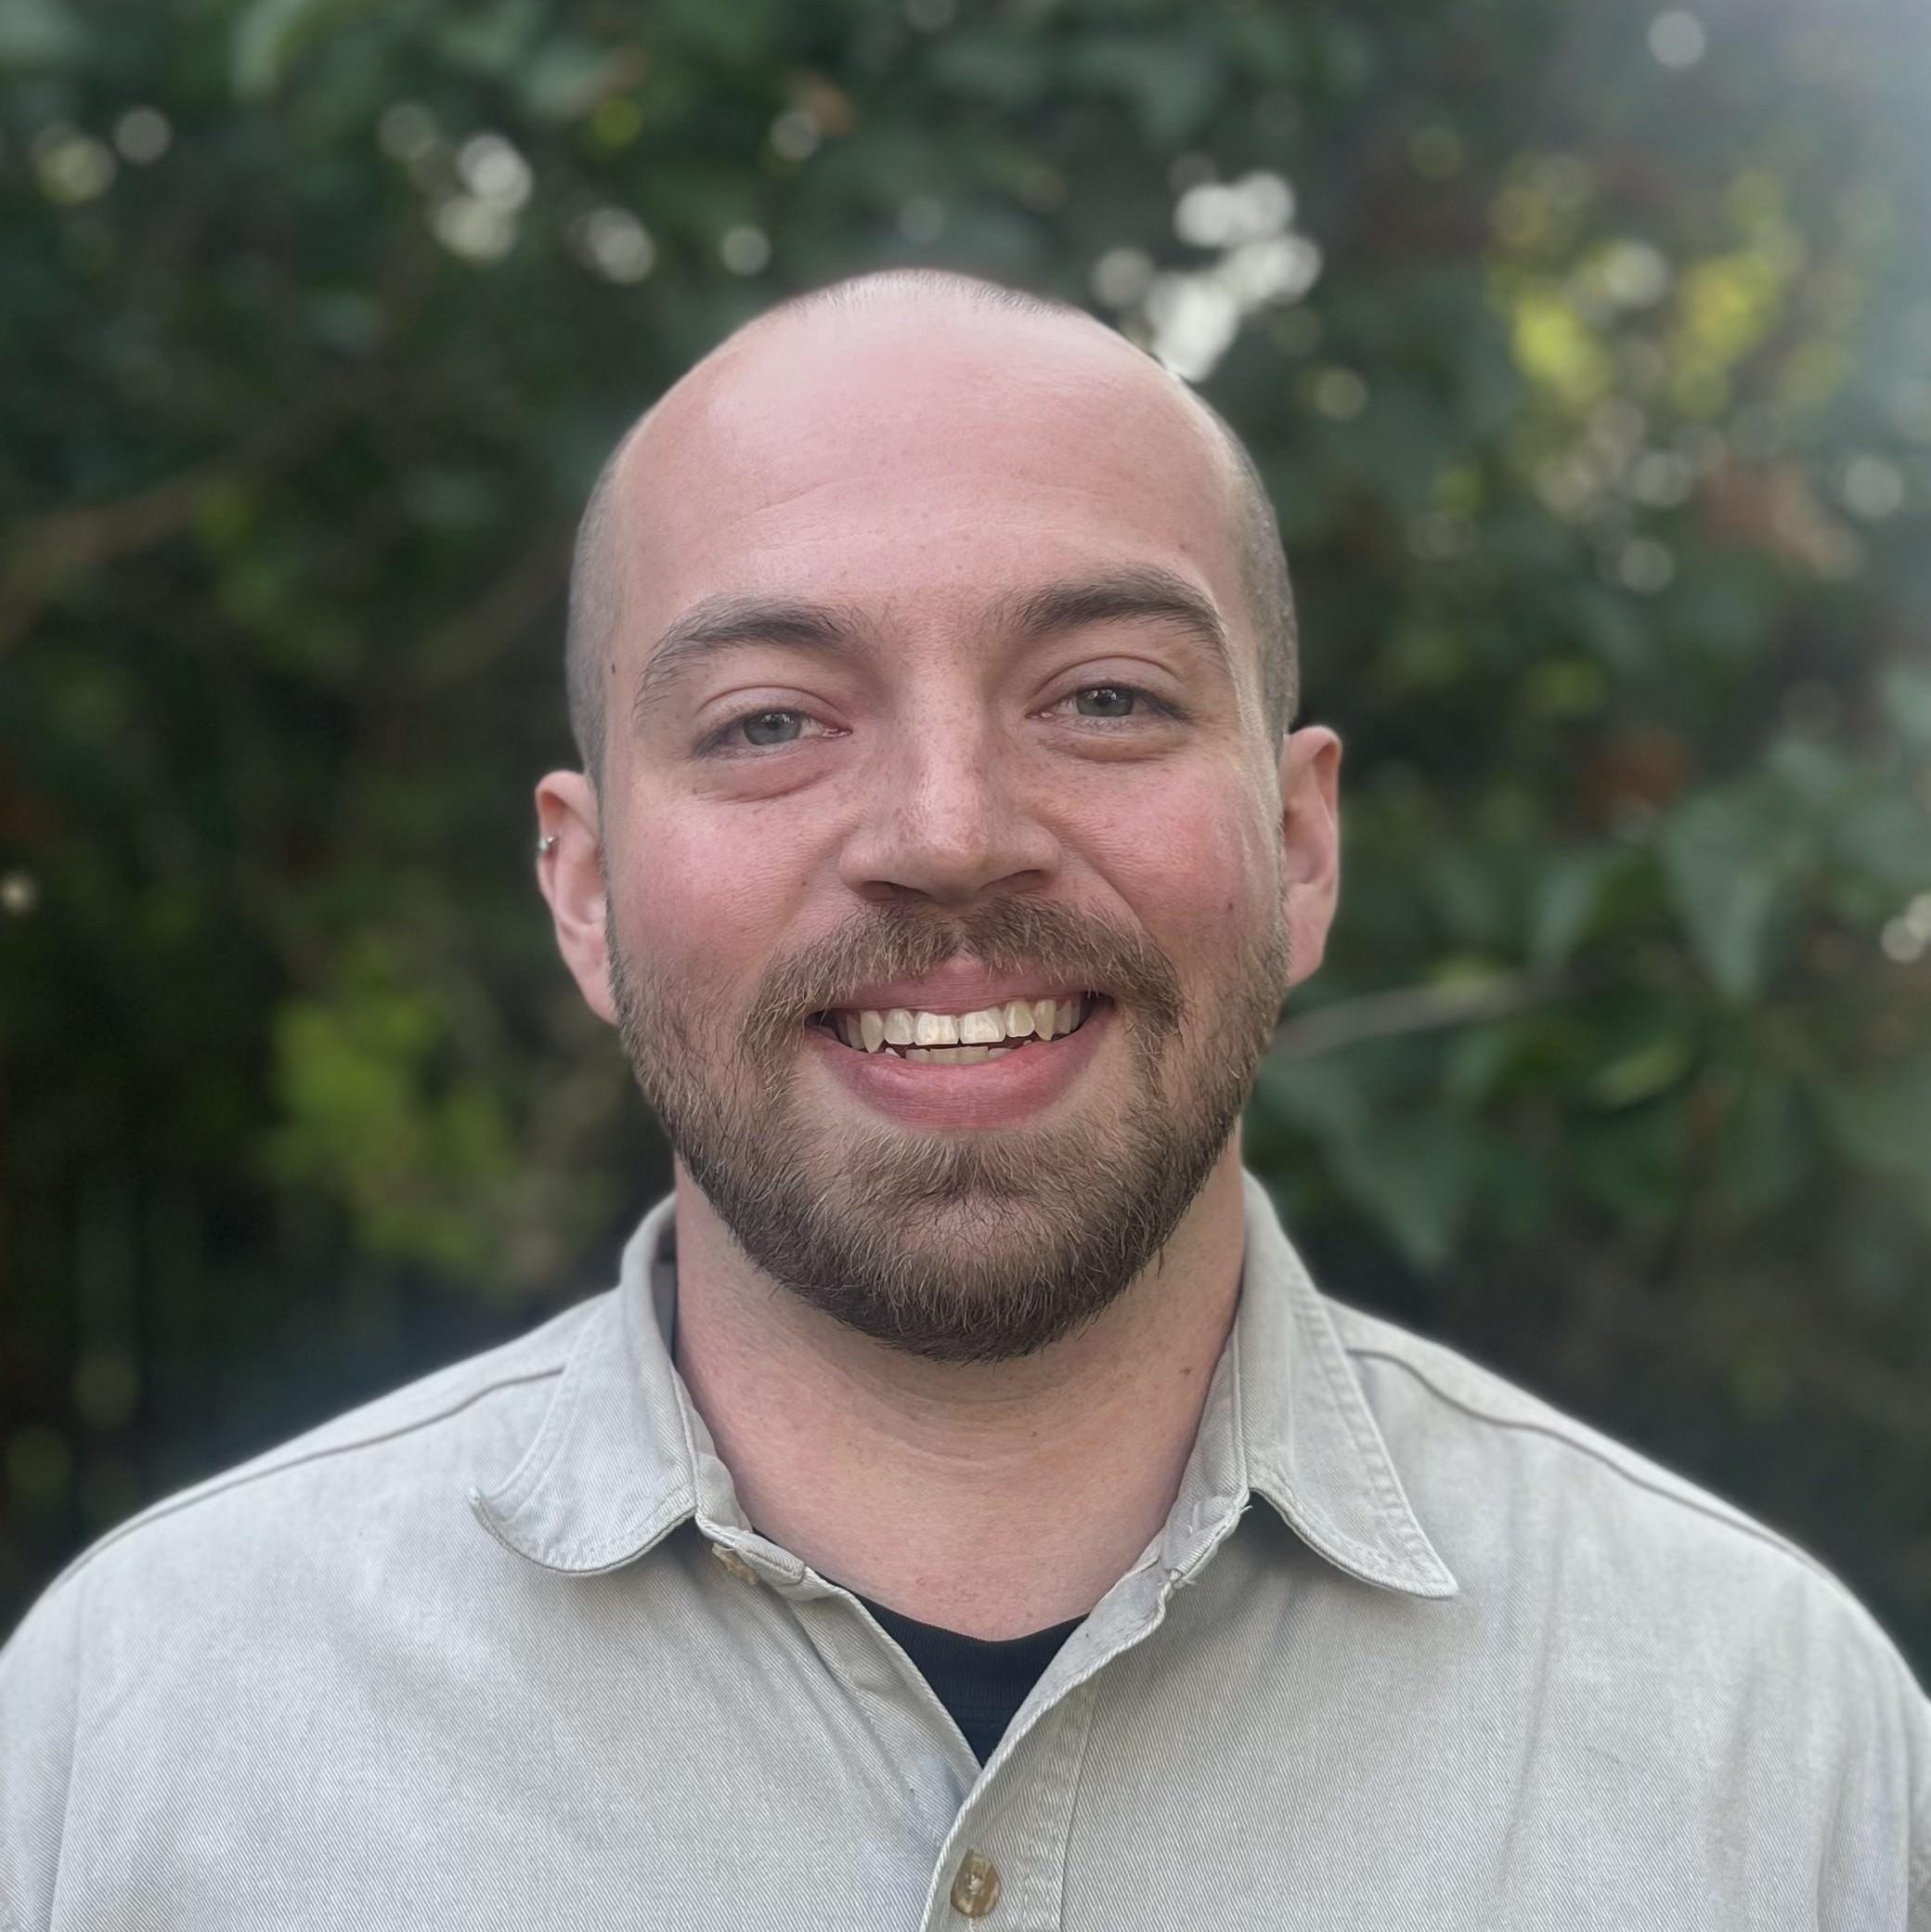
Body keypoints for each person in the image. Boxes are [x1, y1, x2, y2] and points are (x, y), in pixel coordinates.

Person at [3, 269, 1926, 1930]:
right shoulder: (144, 1727)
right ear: (584, 895)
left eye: (1101, 697)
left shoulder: (1773, 1747)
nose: (944, 833)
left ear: (1297, 845)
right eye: (770, 721)